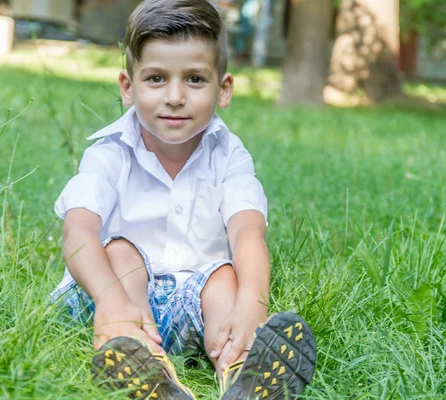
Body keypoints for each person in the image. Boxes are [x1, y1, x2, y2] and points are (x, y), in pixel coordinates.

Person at [51, 0, 316, 398]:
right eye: (156, 79)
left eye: (194, 79)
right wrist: (111, 304)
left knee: (224, 277)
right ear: (128, 87)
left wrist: (251, 305)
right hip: (106, 299)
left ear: (223, 89)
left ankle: (242, 369)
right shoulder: (108, 154)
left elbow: (247, 233)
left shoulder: (229, 156)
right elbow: (78, 233)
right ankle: (144, 367)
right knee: (122, 252)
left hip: (191, 310)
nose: (175, 97)